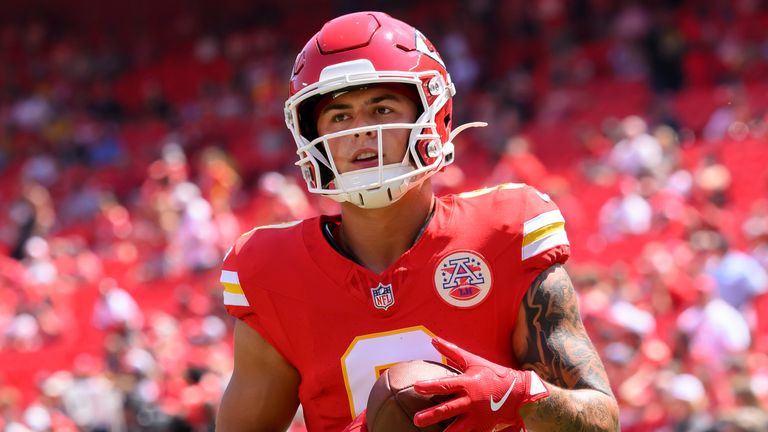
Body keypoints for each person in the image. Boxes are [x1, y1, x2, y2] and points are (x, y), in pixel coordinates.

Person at [216, 11, 618, 432]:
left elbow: (603, 423)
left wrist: (521, 395)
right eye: (339, 116)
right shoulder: (273, 272)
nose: (360, 131)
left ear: (433, 116)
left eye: (381, 109)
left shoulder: (504, 233)